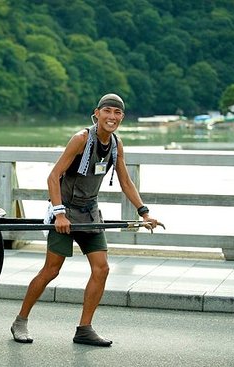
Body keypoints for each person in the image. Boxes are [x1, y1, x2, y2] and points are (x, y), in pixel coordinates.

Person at [10, 93, 163, 347]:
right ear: (97, 113)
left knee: (101, 268)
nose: (112, 117)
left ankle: (84, 329)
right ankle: (20, 320)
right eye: (108, 111)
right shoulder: (81, 139)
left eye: (117, 113)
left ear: (122, 117)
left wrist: (144, 212)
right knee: (51, 270)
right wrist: (59, 213)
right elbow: (53, 177)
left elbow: (125, 181)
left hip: (90, 213)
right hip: (66, 212)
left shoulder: (115, 144)